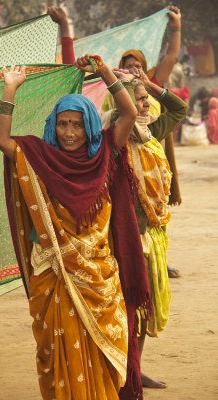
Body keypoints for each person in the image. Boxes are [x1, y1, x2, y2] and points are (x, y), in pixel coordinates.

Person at [0, 55, 151, 399]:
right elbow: (3, 142)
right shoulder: (40, 156)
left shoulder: (107, 150)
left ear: (91, 127)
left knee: (105, 355)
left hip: (99, 277)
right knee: (57, 353)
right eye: (63, 124)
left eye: (77, 125)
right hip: (55, 276)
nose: (69, 133)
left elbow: (127, 113)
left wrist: (107, 73)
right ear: (54, 125)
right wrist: (10, 91)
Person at [101, 69, 188, 389]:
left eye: (147, 99)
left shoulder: (153, 129)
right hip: (127, 233)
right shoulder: (115, 133)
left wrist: (151, 85)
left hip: (153, 231)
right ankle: (123, 372)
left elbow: (178, 109)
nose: (146, 104)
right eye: (139, 100)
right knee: (128, 305)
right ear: (124, 103)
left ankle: (134, 369)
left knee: (143, 304)